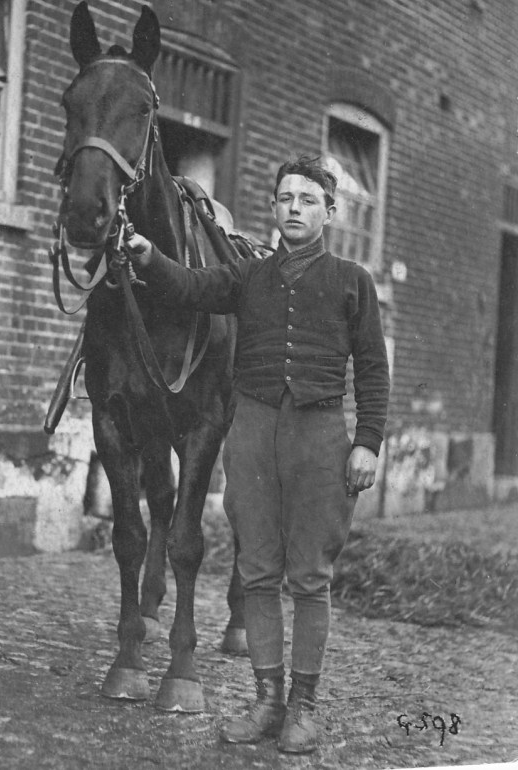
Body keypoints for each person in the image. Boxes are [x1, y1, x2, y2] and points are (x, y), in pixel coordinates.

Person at [124, 155, 390, 755]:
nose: (295, 208)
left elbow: (374, 368)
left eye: (308, 199)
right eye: (285, 198)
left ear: (329, 212)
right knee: (258, 572)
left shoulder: (353, 281)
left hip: (320, 437)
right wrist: (148, 255)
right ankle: (267, 701)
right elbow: (189, 286)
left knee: (310, 577)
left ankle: (303, 707)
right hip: (251, 433)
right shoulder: (247, 276)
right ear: (273, 207)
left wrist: (367, 442)